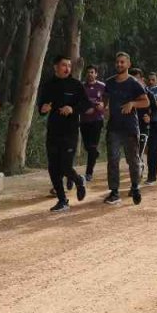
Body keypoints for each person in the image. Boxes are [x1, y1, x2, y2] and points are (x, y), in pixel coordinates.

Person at [38, 55, 92, 212]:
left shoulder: (76, 85)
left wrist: (72, 109)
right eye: (64, 65)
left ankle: (78, 180)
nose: (67, 68)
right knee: (53, 168)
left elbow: (87, 105)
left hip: (70, 131)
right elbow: (41, 106)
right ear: (56, 67)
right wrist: (43, 109)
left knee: (65, 166)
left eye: (69, 65)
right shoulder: (48, 85)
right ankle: (62, 200)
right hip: (53, 131)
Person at [102, 52, 149, 205]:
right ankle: (114, 192)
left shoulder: (134, 83)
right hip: (113, 127)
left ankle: (135, 187)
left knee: (133, 160)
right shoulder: (109, 82)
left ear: (128, 64)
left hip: (130, 127)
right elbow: (105, 98)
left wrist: (132, 104)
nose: (119, 65)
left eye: (122, 62)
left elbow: (146, 102)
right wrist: (105, 107)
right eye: (117, 62)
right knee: (113, 159)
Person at [79, 65, 107, 182]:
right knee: (87, 146)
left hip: (97, 120)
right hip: (84, 120)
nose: (90, 74)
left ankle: (89, 173)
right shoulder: (81, 86)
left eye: (92, 72)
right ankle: (95, 153)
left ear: (96, 74)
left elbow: (106, 101)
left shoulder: (102, 86)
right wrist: (84, 109)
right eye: (88, 72)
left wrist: (102, 107)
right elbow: (77, 102)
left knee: (92, 146)